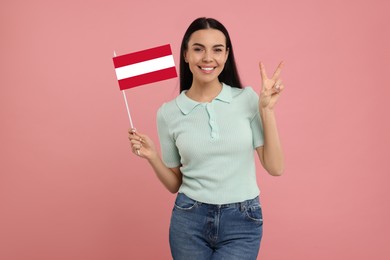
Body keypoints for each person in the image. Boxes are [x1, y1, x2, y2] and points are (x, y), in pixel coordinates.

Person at [128, 17, 284, 260]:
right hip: (189, 220)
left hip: (242, 221)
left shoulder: (247, 99)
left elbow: (275, 167)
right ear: (186, 54)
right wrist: (152, 157)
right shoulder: (168, 113)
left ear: (226, 55)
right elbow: (174, 184)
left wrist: (267, 110)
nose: (208, 58)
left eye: (217, 50)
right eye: (199, 49)